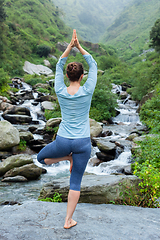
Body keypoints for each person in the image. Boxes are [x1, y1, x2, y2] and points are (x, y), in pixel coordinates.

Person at [37, 29, 97, 229]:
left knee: (40, 158)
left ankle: (66, 157)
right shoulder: (87, 90)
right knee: (75, 183)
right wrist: (79, 46)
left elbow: (58, 65)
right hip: (83, 143)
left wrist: (69, 47)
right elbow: (93, 64)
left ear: (67, 76)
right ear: (81, 77)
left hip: (63, 139)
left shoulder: (60, 90)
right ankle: (68, 220)